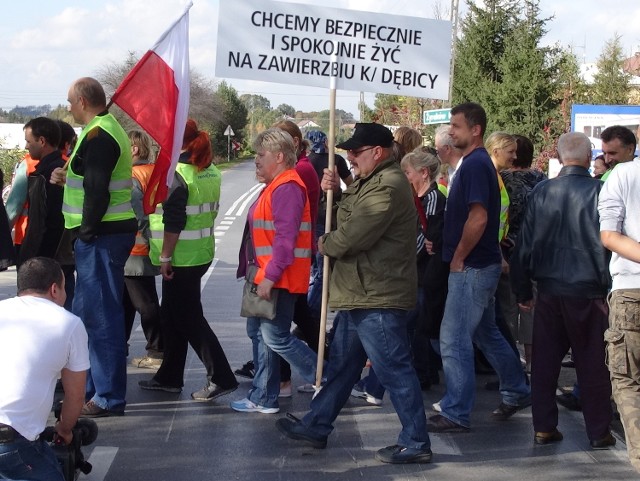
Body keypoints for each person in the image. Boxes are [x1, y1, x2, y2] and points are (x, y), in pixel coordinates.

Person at [276, 123, 432, 464]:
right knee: (343, 368)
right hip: (360, 292)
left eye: (356, 151)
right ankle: (317, 424)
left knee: (394, 370)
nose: (350, 156)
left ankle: (417, 441)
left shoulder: (388, 186)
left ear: (378, 152)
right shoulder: (370, 181)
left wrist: (325, 243)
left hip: (377, 295)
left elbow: (352, 236)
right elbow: (345, 217)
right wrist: (337, 192)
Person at [427, 103, 530, 433]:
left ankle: (456, 411)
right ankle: (516, 389)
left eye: (456, 126)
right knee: (486, 332)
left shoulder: (473, 166)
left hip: (471, 267)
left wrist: (458, 256)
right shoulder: (477, 163)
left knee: (454, 338)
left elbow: (480, 217)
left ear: (475, 130)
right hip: (480, 263)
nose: (451, 131)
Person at [510, 132, 614, 448]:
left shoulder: (542, 192)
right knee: (593, 364)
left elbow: (524, 246)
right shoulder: (601, 191)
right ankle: (599, 431)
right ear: (588, 156)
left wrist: (523, 290)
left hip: (550, 289)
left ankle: (544, 426)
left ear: (559, 155)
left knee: (544, 362)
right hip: (590, 291)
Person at [54, 77, 138, 417]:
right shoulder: (100, 130)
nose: (70, 108)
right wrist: (66, 177)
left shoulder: (99, 134)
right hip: (101, 235)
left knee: (101, 318)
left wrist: (86, 233)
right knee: (89, 317)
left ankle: (107, 396)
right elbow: (88, 179)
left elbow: (98, 190)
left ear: (84, 101)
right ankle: (93, 391)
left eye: (71, 102)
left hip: (102, 236)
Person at [139, 119, 238, 400]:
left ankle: (221, 376)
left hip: (179, 258)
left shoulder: (177, 175)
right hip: (199, 253)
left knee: (189, 319)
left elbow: (174, 221)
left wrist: (165, 256)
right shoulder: (209, 170)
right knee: (171, 316)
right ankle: (169, 376)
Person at [231, 128, 317, 414]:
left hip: (277, 278)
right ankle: (263, 396)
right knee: (260, 334)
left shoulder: (287, 187)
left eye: (260, 155)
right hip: (269, 275)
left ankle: (325, 376)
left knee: (275, 337)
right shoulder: (279, 184)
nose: (256, 160)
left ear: (279, 157)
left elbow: (285, 238)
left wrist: (270, 276)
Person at [0, 257, 89, 481]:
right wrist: (65, 429)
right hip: (11, 441)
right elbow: (75, 394)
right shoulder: (69, 324)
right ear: (54, 289)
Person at [599, 132, 640, 470]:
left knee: (627, 380)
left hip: (631, 290)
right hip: (629, 290)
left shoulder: (622, 176)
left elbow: (610, 235)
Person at [271, 120, 320, 396]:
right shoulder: (300, 169)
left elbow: (287, 223)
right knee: (301, 318)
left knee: (278, 326)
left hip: (295, 256)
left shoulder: (299, 170)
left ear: (295, 141)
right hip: (299, 252)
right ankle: (318, 371)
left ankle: (308, 374)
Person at [500, 135, 546, 371]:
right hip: (535, 248)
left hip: (508, 248)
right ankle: (531, 360)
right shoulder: (541, 179)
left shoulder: (502, 178)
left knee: (508, 305)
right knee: (531, 306)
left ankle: (509, 363)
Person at [124, 130, 164, 369]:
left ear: (135, 149)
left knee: (144, 302)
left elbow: (136, 216)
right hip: (152, 245)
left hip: (135, 248)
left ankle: (157, 352)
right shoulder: (153, 172)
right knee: (128, 300)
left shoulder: (132, 175)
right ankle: (122, 345)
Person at [17, 117, 65, 266]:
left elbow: (50, 221)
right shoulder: (47, 171)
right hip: (45, 254)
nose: (26, 146)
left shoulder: (54, 174)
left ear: (42, 141)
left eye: (29, 141)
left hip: (44, 257)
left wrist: (37, 258)